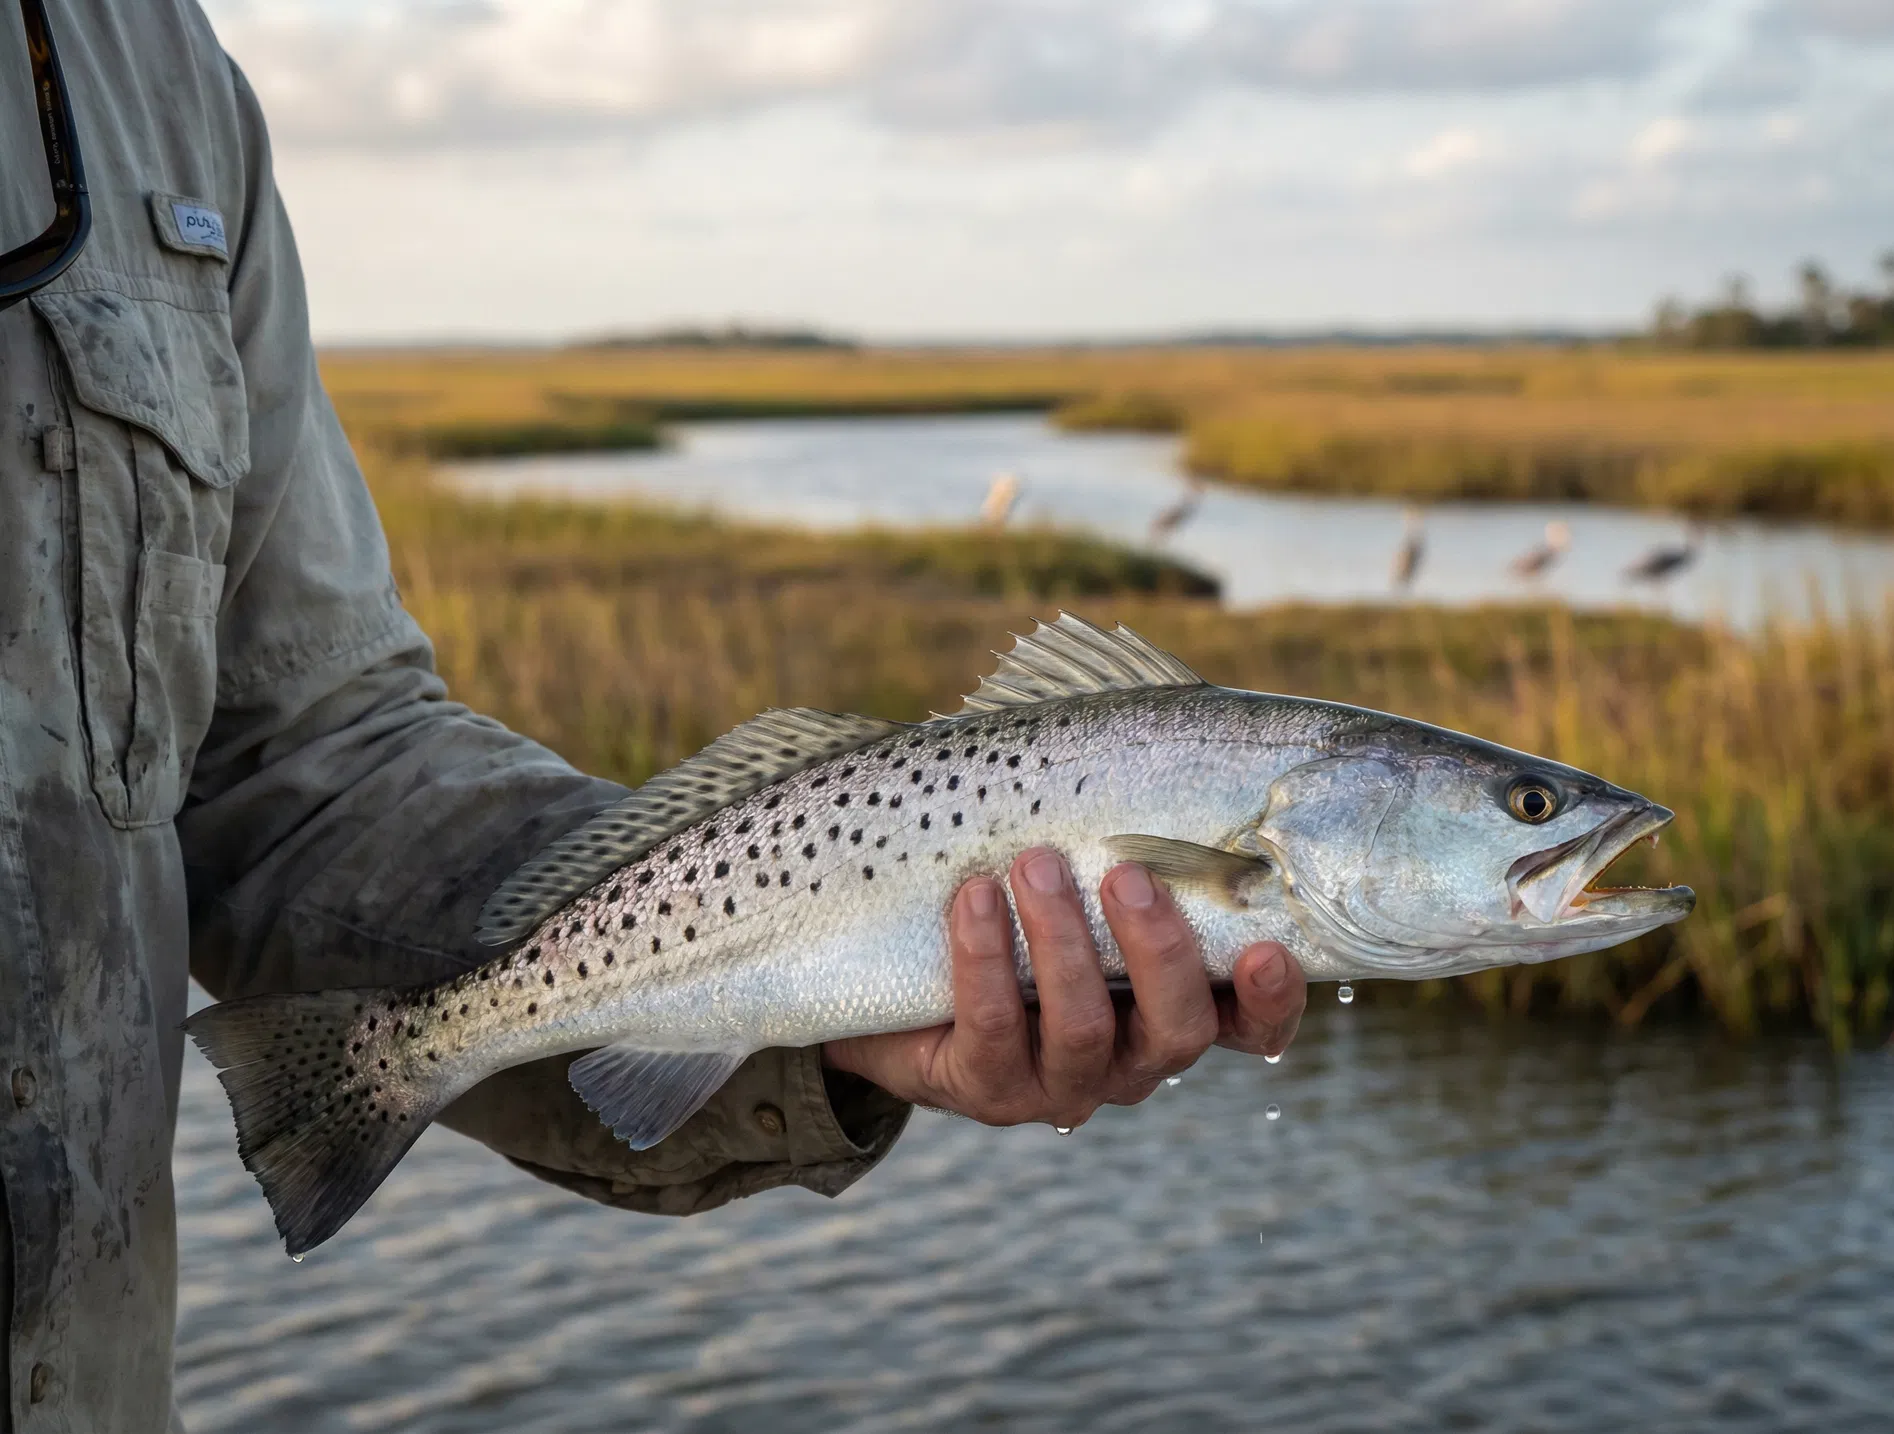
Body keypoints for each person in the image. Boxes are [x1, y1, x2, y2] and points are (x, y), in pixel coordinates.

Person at [0, 2, 1307, 1429]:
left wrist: (816, 998)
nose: (1563, 822)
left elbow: (306, 752)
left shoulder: (161, 80)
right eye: (1527, 805)